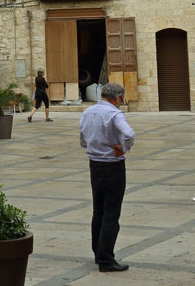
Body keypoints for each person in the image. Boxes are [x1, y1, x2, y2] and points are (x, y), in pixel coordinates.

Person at [79, 82, 135, 273]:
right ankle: (106, 259)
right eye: (121, 99)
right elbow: (129, 134)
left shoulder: (87, 112)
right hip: (112, 166)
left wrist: (94, 147)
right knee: (111, 213)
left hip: (94, 165)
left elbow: (82, 139)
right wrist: (123, 147)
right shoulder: (114, 114)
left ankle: (98, 252)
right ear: (117, 98)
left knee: (98, 210)